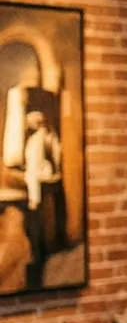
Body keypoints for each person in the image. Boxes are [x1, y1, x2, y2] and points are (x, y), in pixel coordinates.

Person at [19, 107, 64, 268]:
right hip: (43, 184)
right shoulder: (44, 137)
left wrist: (34, 198)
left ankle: (40, 255)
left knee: (40, 222)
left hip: (41, 187)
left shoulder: (38, 140)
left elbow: (34, 168)